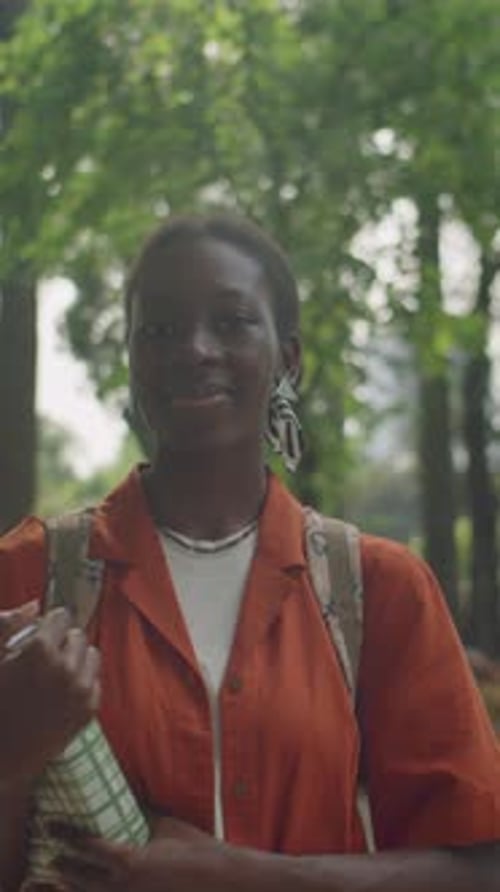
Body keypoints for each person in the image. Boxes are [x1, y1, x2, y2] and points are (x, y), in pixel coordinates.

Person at [1, 213, 500, 892]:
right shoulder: (28, 578)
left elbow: (477, 869)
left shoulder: (378, 590)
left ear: (287, 358)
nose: (195, 348)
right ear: (134, 358)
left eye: (231, 321)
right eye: (161, 329)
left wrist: (237, 875)